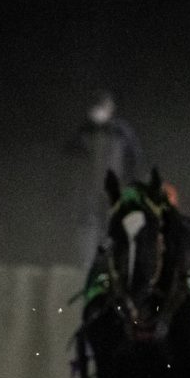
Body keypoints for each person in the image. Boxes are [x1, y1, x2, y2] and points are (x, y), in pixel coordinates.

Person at [67, 89, 144, 265]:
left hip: (115, 189)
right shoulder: (87, 132)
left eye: (104, 106)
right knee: (89, 227)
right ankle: (90, 264)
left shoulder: (121, 132)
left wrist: (131, 183)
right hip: (90, 189)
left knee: (114, 226)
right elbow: (70, 151)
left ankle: (113, 263)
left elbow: (135, 158)